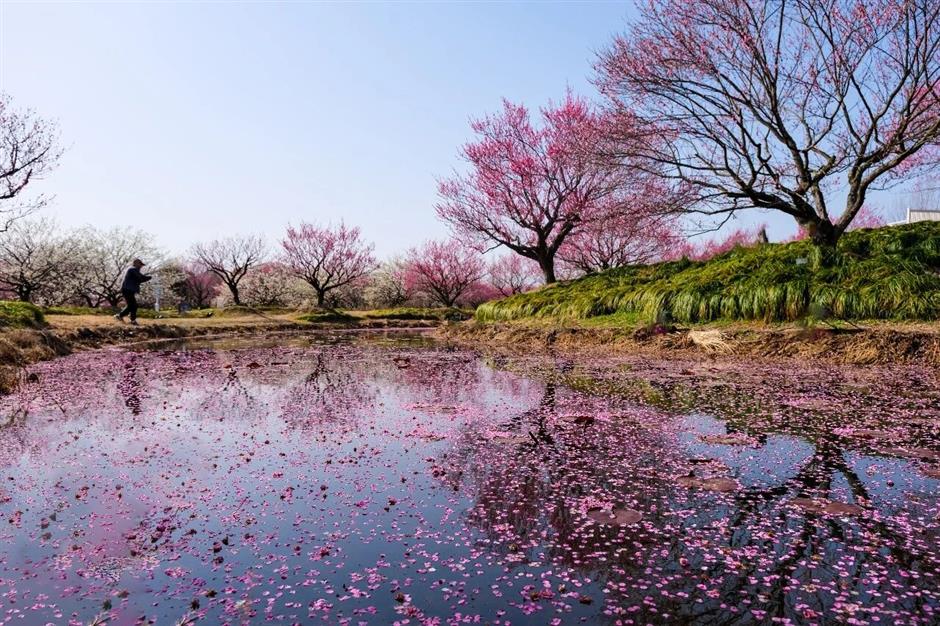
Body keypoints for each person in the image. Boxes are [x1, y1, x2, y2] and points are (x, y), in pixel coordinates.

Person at [115, 259, 152, 325]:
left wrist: (148, 277)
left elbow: (141, 277)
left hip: (129, 289)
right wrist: (149, 278)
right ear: (136, 263)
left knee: (132, 305)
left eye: (141, 265)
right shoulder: (133, 269)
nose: (141, 266)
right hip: (127, 289)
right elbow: (140, 278)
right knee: (133, 305)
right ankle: (121, 316)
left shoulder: (135, 270)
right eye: (140, 264)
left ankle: (130, 319)